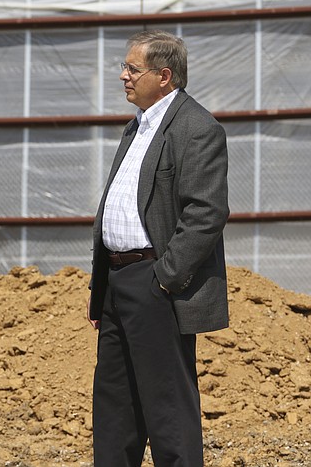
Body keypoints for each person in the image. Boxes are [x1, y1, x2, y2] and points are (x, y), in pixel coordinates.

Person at [87, 30, 229, 466]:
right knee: (115, 408)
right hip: (117, 282)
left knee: (167, 407)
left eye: (133, 68)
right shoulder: (139, 126)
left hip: (156, 285)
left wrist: (165, 278)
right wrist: (102, 285)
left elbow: (205, 213)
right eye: (125, 67)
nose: (123, 76)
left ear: (164, 76)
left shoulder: (195, 128)